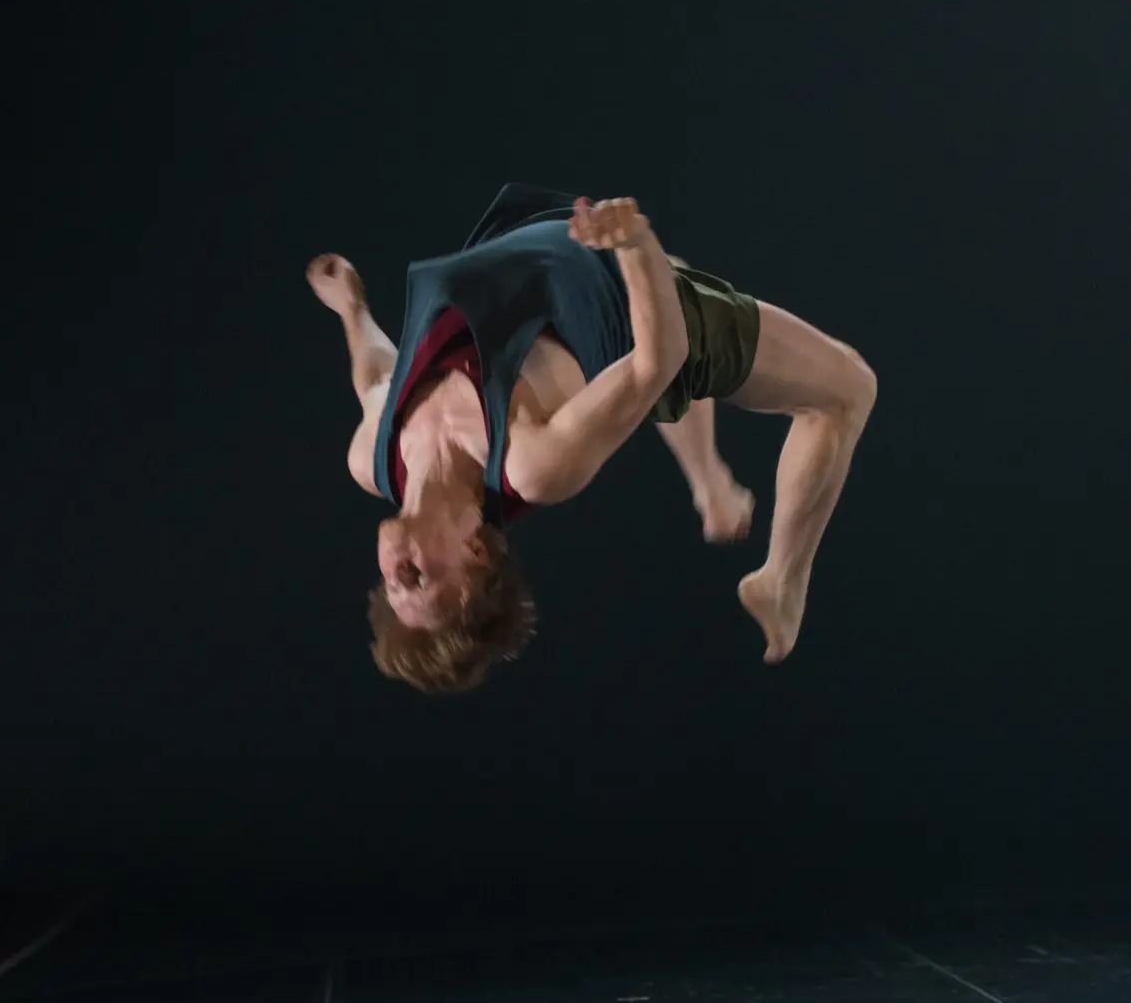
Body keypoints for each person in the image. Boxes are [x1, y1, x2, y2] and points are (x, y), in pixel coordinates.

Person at [308, 183, 877, 693]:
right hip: (636, 306)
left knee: (637, 391)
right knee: (848, 390)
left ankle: (710, 485)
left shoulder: (373, 455)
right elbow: (660, 358)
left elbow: (378, 374)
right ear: (475, 551)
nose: (397, 576)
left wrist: (351, 309)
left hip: (540, 249)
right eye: (421, 582)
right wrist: (635, 247)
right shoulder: (531, 463)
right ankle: (781, 583)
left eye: (393, 587)